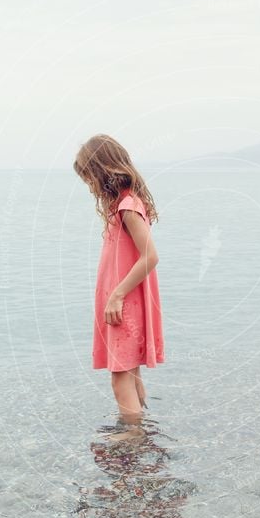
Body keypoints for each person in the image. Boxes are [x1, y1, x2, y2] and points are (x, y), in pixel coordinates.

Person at [73, 134, 164, 423]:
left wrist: (116, 294)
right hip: (127, 302)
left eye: (89, 177)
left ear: (103, 171)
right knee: (130, 374)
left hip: (124, 304)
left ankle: (133, 438)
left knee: (120, 378)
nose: (89, 185)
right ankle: (142, 431)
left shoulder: (127, 207)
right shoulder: (125, 204)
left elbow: (150, 255)